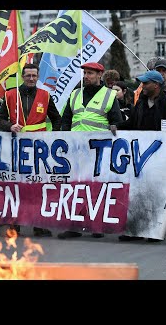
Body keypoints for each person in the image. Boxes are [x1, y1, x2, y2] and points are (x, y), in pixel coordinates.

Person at [112, 70, 166, 241]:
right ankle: (135, 231)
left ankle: (153, 232)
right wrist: (116, 126)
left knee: (155, 195)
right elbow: (131, 123)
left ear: (156, 85)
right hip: (140, 158)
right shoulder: (141, 104)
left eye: (146, 83)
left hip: (160, 159)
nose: (142, 86)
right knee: (136, 194)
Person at [57, 62, 123, 240]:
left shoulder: (110, 95)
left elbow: (118, 120)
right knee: (75, 187)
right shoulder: (75, 94)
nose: (86, 76)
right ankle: (74, 225)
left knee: (96, 188)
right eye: (85, 73)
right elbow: (66, 120)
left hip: (98, 150)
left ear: (99, 75)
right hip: (76, 149)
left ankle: (97, 225)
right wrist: (64, 136)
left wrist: (115, 125)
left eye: (90, 73)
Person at [0, 63, 61, 237]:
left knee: (38, 187)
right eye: (28, 76)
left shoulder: (45, 95)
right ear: (22, 77)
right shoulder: (10, 95)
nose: (31, 79)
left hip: (39, 149)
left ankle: (38, 224)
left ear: (38, 77)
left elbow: (57, 119)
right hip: (16, 147)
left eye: (34, 75)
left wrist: (54, 138)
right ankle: (14, 224)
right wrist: (10, 126)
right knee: (16, 186)